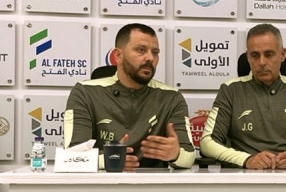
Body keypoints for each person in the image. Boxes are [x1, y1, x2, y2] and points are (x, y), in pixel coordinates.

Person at [201, 23, 286, 169]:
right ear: (247, 56)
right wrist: (246, 159)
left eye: (269, 54)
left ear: (282, 54)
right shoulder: (231, 90)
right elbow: (207, 143)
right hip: (245, 175)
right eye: (255, 55)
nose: (261, 62)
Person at [64, 23, 195, 169]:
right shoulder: (85, 92)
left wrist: (176, 154)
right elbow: (71, 156)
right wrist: (110, 160)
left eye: (155, 52)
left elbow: (189, 156)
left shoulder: (171, 97)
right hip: (104, 181)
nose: (150, 58)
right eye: (141, 50)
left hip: (153, 182)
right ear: (118, 55)